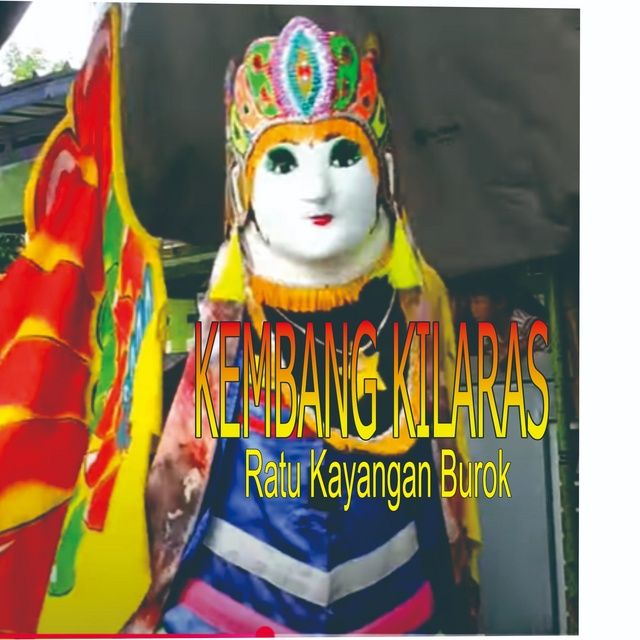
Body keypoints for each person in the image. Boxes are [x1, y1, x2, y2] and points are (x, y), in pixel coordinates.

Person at [124, 16, 480, 634]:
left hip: (397, 606)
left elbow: (443, 469)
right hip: (227, 614)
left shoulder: (420, 308)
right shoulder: (223, 333)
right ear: (242, 187)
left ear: (383, 172)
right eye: (283, 162)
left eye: (343, 155)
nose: (317, 190)